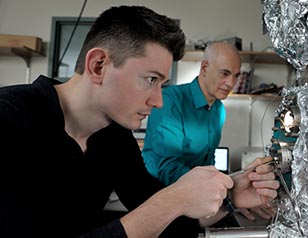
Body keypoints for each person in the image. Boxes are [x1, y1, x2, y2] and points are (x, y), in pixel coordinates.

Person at [0, 5, 279, 238]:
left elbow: (163, 218)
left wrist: (230, 199)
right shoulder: (10, 117)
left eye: (162, 83)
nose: (159, 101)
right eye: (150, 79)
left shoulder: (114, 137)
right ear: (98, 65)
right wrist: (174, 199)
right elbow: (162, 207)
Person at [142, 41, 241, 186]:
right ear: (205, 68)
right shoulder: (170, 100)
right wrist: (214, 185)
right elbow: (168, 168)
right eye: (225, 73)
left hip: (196, 193)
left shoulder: (219, 110)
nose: (231, 83)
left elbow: (208, 161)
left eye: (236, 76)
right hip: (157, 192)